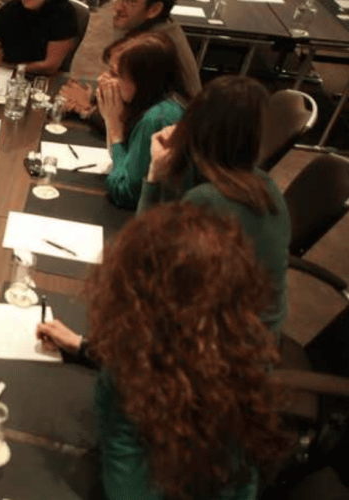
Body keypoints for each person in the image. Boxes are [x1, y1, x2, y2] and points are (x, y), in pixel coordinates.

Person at [38, 203, 291, 499]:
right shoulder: (237, 360)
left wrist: (117, 383)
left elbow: (125, 492)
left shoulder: (129, 389)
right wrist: (84, 347)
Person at [140, 75, 291, 334]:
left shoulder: (208, 199)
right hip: (260, 336)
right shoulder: (265, 184)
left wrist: (155, 171)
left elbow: (142, 258)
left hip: (224, 344)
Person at [60, 0, 201, 119]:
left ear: (154, 9)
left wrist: (88, 110)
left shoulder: (152, 47)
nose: (117, 7)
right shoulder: (152, 27)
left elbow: (135, 121)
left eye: (130, 1)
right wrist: (95, 99)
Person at [96, 32, 190, 209]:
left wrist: (114, 127)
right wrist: (111, 118)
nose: (103, 79)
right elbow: (122, 162)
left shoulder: (157, 118)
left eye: (115, 74)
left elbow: (126, 193)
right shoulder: (163, 101)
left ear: (143, 79)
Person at [0, 0, 78, 89]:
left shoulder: (63, 12)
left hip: (44, 83)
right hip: (9, 79)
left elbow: (50, 65)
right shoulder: (10, 9)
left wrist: (17, 68)